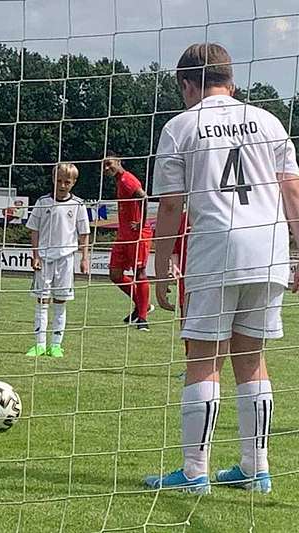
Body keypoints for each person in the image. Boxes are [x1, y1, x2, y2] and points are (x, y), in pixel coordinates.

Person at [145, 42, 299, 494]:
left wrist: (160, 266)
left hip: (217, 250)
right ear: (230, 79)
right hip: (268, 249)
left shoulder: (181, 126)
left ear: (188, 84)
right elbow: (292, 191)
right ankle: (257, 468)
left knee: (203, 358)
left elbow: (171, 205)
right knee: (251, 359)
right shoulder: (269, 121)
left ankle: (194, 473)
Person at [25, 163, 90, 358]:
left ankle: (56, 345)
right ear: (53, 179)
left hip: (66, 259)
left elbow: (84, 233)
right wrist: (35, 255)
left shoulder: (78, 204)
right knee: (42, 301)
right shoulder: (43, 202)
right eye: (59, 181)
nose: (62, 185)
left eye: (67, 182)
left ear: (73, 183)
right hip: (44, 258)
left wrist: (84, 258)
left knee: (60, 302)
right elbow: (34, 230)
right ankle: (39, 344)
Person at [103, 154, 153, 330]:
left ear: (118, 162)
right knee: (115, 274)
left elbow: (144, 198)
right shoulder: (119, 181)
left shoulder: (127, 180)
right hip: (123, 234)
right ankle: (142, 305)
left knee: (140, 273)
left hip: (137, 234)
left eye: (109, 164)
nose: (106, 169)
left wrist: (141, 223)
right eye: (104, 166)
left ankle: (143, 319)